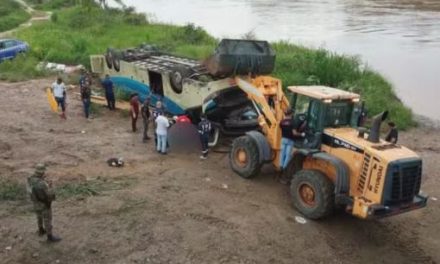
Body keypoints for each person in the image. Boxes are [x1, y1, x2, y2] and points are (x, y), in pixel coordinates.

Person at [27, 164, 62, 243]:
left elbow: (30, 191)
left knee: (39, 217)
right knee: (47, 219)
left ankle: (41, 230)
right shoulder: (42, 184)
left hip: (35, 202)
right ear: (42, 172)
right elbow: (49, 195)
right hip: (44, 204)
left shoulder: (30, 179)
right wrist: (50, 186)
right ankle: (50, 237)